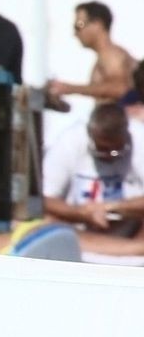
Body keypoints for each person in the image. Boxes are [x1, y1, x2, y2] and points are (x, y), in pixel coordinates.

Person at [41, 102, 144, 240]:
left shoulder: (140, 138)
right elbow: (46, 199)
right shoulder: (69, 141)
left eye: (116, 150)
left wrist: (113, 207)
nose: (110, 155)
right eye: (102, 150)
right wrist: (78, 213)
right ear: (90, 136)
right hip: (77, 230)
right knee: (43, 220)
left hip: (133, 231)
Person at [46, 1, 137, 110]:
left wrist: (69, 88)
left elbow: (121, 89)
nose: (75, 33)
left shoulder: (111, 55)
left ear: (97, 24)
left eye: (79, 25)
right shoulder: (106, 56)